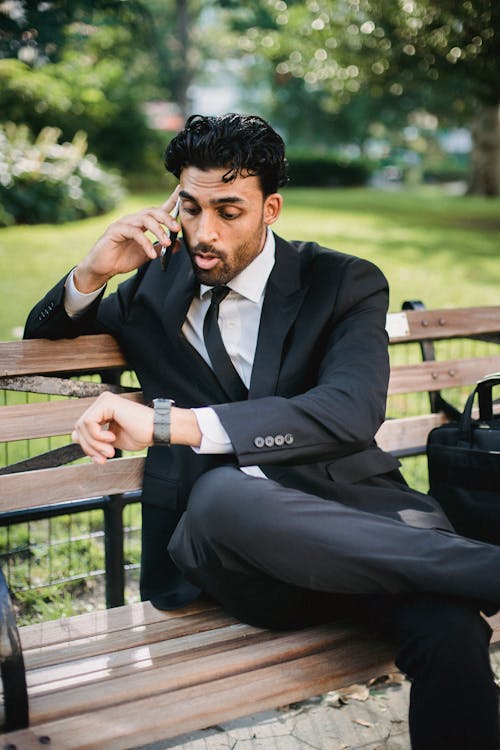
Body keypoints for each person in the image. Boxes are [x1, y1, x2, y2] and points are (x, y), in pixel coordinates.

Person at [25, 113, 500, 750]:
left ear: (270, 208)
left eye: (229, 210)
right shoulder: (153, 287)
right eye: (189, 208)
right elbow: (45, 340)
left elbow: (349, 410)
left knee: (452, 631)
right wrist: (92, 271)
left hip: (362, 529)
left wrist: (173, 424)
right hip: (240, 559)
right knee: (223, 497)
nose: (204, 232)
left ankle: (472, 577)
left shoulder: (342, 282)